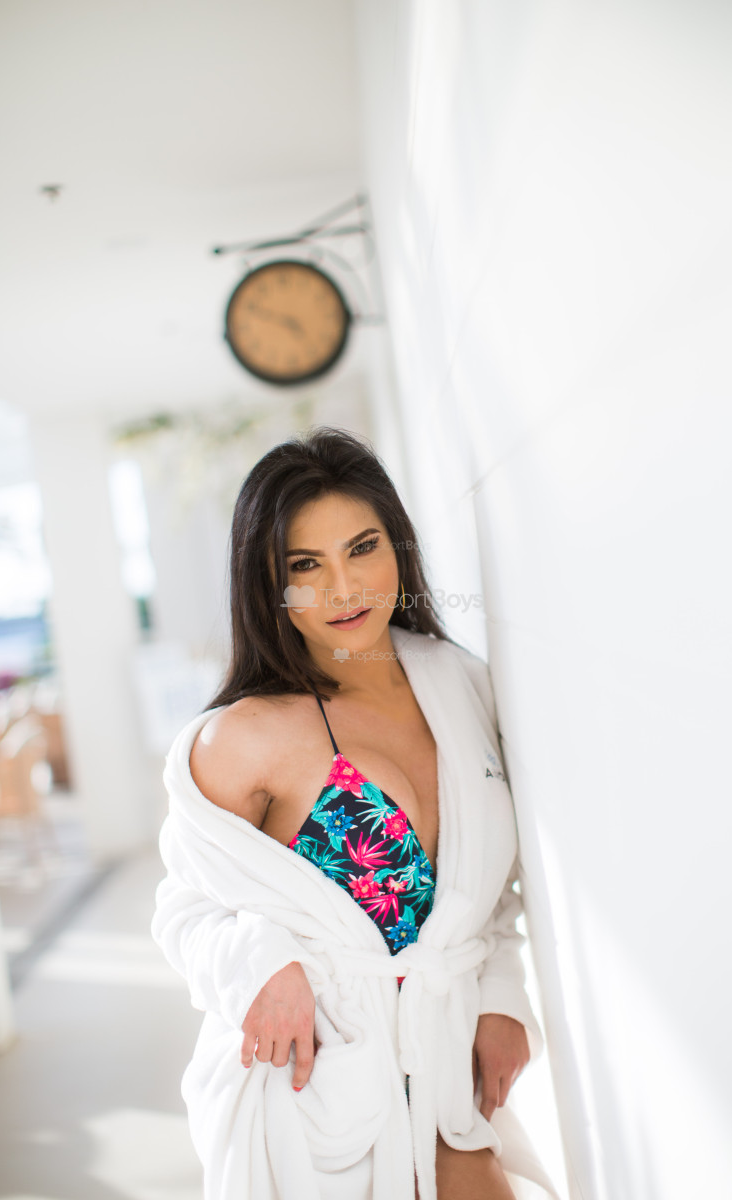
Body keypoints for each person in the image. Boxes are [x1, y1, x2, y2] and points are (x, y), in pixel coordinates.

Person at [151, 427, 558, 1200]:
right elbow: (184, 907)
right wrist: (261, 965)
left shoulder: (462, 686)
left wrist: (504, 996)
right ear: (269, 583)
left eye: (362, 548)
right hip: (314, 1097)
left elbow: (487, 889)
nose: (343, 588)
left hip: (448, 1078)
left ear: (396, 546)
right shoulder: (247, 737)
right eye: (305, 565)